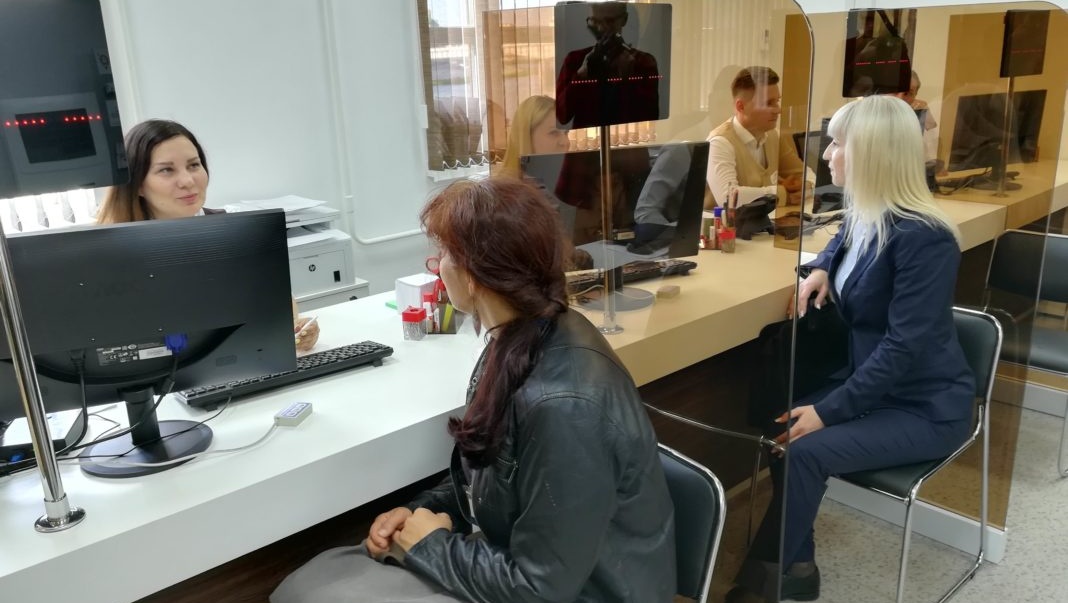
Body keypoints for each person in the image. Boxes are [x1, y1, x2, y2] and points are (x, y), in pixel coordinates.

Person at [271, 177, 676, 603]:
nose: (437, 266)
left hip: (584, 593)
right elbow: (494, 478)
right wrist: (423, 512)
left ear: (476, 276)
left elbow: (540, 589)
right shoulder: (521, 337)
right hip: (536, 567)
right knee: (317, 579)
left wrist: (429, 545)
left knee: (311, 591)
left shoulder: (563, 404)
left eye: (444, 254)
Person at [727, 95, 975, 602]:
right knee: (782, 422)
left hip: (924, 406)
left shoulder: (926, 238)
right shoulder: (869, 213)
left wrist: (830, 411)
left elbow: (903, 348)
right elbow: (844, 239)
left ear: (872, 153)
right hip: (875, 386)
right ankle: (797, 566)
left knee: (801, 446)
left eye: (837, 143)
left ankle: (765, 580)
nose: (827, 155)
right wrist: (821, 267)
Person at [96, 119, 319, 352]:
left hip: (236, 363)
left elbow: (280, 309)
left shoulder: (238, 233)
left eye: (194, 165)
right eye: (166, 170)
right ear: (138, 184)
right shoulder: (113, 251)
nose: (187, 181)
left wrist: (297, 331)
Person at [705, 66, 808, 209]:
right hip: (726, 223)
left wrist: (802, 186)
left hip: (769, 220)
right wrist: (781, 193)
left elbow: (807, 176)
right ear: (741, 107)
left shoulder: (774, 136)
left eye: (777, 101)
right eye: (768, 103)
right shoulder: (719, 142)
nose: (778, 109)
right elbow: (729, 198)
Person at [556, 1, 660, 129]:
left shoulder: (643, 63)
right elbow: (562, 116)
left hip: (626, 139)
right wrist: (581, 74)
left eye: (610, 21)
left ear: (624, 19)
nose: (600, 29)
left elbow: (651, 118)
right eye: (594, 21)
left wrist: (628, 79)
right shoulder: (575, 60)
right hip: (589, 140)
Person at [497, 95, 570, 177]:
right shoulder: (506, 184)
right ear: (527, 136)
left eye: (566, 133)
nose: (565, 142)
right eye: (554, 133)